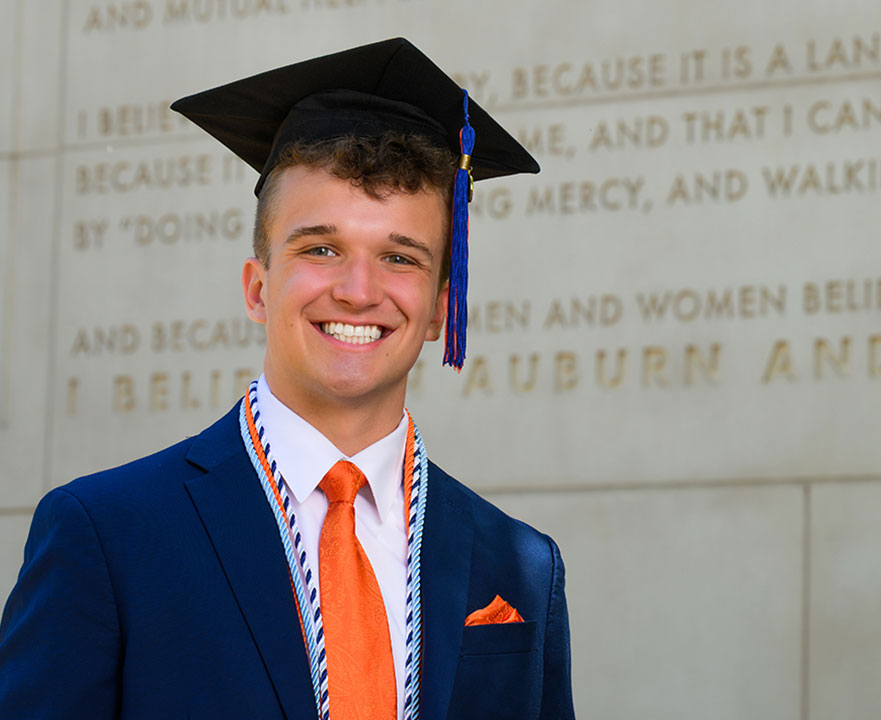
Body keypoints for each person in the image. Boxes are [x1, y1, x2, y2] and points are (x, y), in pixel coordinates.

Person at [0, 38, 574, 720]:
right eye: (321, 248)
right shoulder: (108, 536)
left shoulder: (520, 569)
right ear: (257, 287)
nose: (359, 291)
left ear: (440, 311)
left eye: (399, 256)